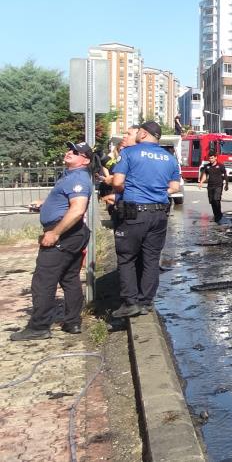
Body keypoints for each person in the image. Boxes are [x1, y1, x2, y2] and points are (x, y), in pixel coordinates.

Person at [10, 142, 94, 341]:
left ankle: (39, 326)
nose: (69, 153)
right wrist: (44, 205)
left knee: (43, 280)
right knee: (69, 278)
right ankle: (72, 322)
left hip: (65, 234)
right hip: (70, 233)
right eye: (69, 149)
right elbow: (65, 202)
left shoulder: (79, 178)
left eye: (75, 152)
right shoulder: (69, 176)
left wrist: (55, 233)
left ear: (85, 160)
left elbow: (77, 209)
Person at [110, 121, 180, 318]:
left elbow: (117, 182)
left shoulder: (130, 153)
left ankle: (130, 302)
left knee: (127, 257)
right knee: (151, 259)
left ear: (143, 133)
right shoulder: (169, 158)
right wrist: (155, 192)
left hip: (135, 212)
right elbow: (174, 187)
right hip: (159, 213)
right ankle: (147, 302)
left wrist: (136, 190)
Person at [198, 152, 229, 223]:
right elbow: (205, 175)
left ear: (215, 157)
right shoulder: (207, 166)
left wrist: (226, 184)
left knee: (216, 199)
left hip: (218, 186)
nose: (210, 159)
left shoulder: (220, 166)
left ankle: (219, 215)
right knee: (212, 201)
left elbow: (225, 175)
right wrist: (201, 182)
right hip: (210, 186)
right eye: (209, 158)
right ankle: (216, 215)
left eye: (212, 158)